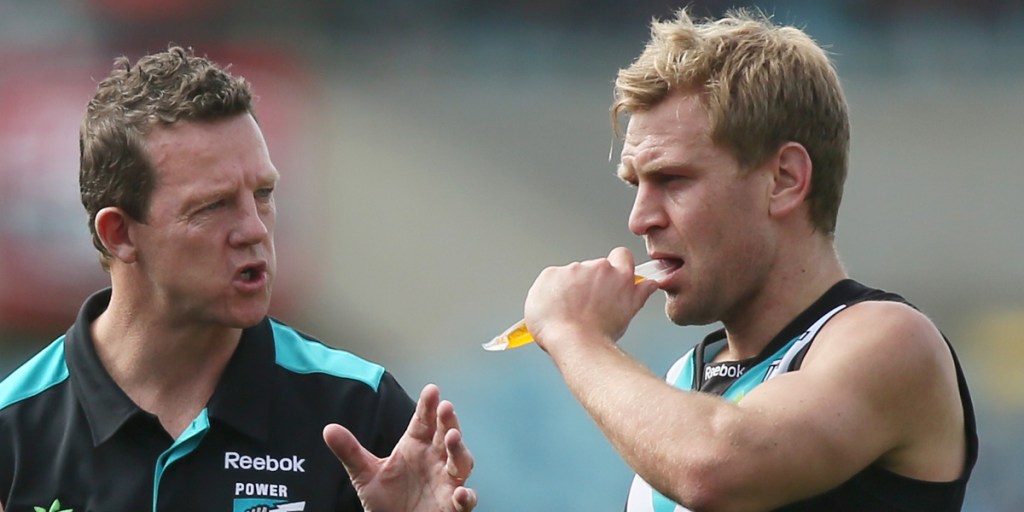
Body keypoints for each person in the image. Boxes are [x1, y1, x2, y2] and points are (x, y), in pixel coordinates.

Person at [521, 8, 977, 511]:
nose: (640, 219)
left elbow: (714, 469)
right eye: (636, 184)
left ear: (783, 179)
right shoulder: (682, 383)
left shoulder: (891, 341)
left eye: (672, 180)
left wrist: (576, 336)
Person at [0, 46, 476, 512]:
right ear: (120, 233)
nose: (255, 228)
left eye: (263, 194)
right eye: (213, 205)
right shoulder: (13, 427)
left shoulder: (360, 410)